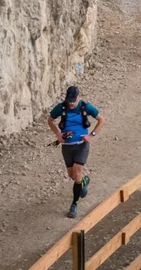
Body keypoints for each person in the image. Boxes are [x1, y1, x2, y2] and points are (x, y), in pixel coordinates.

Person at [47, 86, 104, 219]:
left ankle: (74, 205)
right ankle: (84, 182)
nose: (71, 103)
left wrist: (91, 135)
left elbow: (102, 120)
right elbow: (50, 120)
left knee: (77, 172)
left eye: (73, 100)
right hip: (67, 146)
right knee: (73, 176)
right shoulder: (61, 107)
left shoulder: (86, 107)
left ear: (78, 96)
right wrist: (58, 135)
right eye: (69, 100)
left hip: (81, 145)